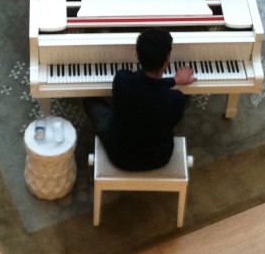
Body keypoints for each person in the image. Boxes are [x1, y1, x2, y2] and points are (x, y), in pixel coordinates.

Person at [83, 27, 196, 171]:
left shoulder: (122, 80)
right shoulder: (176, 99)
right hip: (159, 158)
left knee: (90, 100)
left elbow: (140, 84)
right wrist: (174, 80)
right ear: (167, 60)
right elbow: (155, 90)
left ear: (137, 54)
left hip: (119, 155)